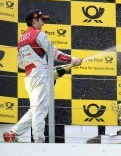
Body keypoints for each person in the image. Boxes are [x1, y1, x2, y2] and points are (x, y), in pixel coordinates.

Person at [3, 9, 82, 143]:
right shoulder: (38, 34)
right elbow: (55, 54)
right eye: (41, 20)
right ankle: (39, 142)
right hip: (40, 75)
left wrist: (36, 64)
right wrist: (74, 60)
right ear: (34, 21)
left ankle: (14, 133)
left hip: (29, 77)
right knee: (40, 110)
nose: (43, 23)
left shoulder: (20, 40)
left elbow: (20, 64)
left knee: (34, 109)